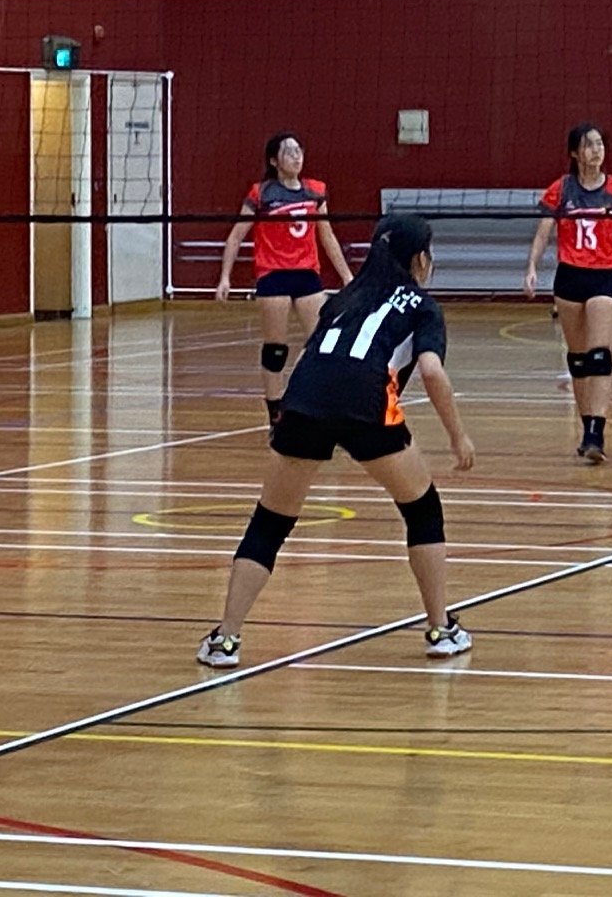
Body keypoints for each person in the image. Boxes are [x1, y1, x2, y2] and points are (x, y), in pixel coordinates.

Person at [198, 214, 477, 668]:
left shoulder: (342, 298)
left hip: (305, 396)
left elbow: (318, 355)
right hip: (365, 398)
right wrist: (458, 436)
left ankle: (225, 640)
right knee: (422, 509)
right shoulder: (423, 306)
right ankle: (440, 629)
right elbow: (431, 371)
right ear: (420, 258)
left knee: (270, 522)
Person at [523, 122, 612, 465]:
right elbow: (542, 234)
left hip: (604, 278)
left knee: (600, 356)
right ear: (574, 152)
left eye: (600, 144)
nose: (596, 151)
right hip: (569, 279)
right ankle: (586, 430)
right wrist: (532, 268)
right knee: (579, 359)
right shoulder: (561, 189)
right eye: (589, 145)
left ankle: (597, 433)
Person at [215, 132, 354, 424]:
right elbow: (236, 236)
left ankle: (312, 402)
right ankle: (275, 412)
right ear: (274, 160)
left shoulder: (315, 191)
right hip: (273, 275)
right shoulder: (261, 194)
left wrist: (347, 277)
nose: (296, 156)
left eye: (299, 150)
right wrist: (225, 278)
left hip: (307, 274)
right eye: (289, 152)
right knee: (276, 350)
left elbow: (327, 236)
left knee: (321, 343)